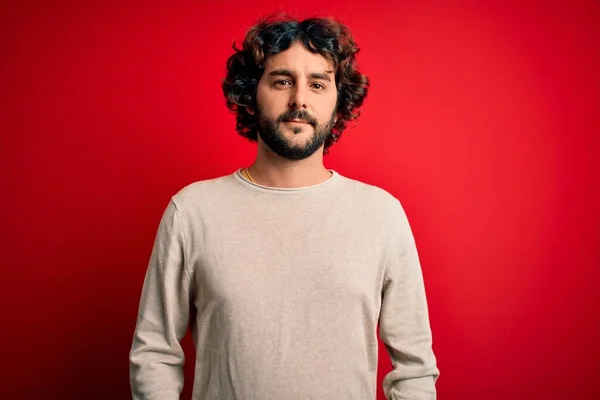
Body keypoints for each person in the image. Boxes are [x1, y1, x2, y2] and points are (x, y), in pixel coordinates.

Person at [129, 13, 439, 400]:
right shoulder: (192, 211)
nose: (299, 99)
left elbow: (415, 370)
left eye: (318, 83)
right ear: (250, 94)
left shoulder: (381, 215)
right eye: (282, 81)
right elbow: (154, 352)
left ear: (338, 101)